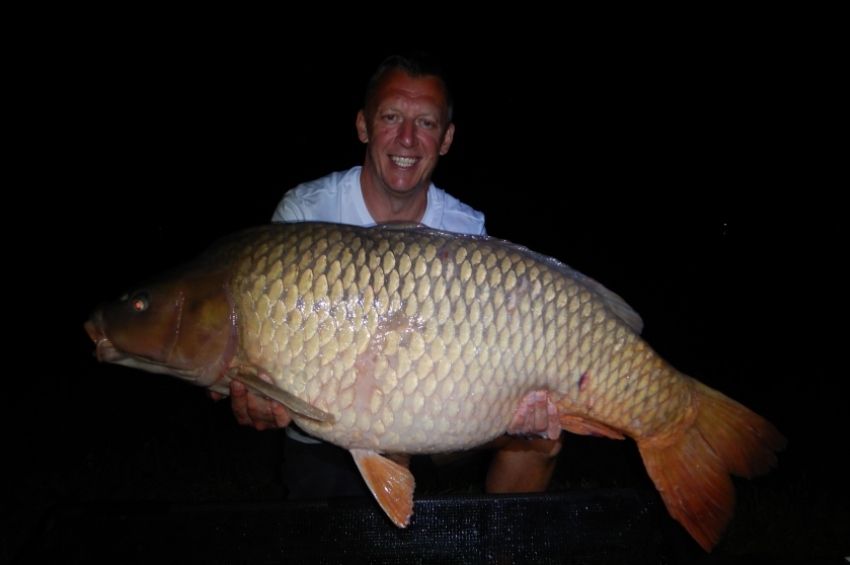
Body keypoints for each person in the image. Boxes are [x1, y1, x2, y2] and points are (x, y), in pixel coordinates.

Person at [218, 53, 563, 498]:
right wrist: (253, 395)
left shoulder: (465, 230)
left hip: (434, 427)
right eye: (391, 117)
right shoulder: (306, 213)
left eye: (426, 123)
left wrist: (516, 407)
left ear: (446, 138)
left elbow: (487, 357)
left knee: (544, 440)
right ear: (363, 125)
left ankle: (494, 551)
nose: (406, 139)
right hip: (329, 441)